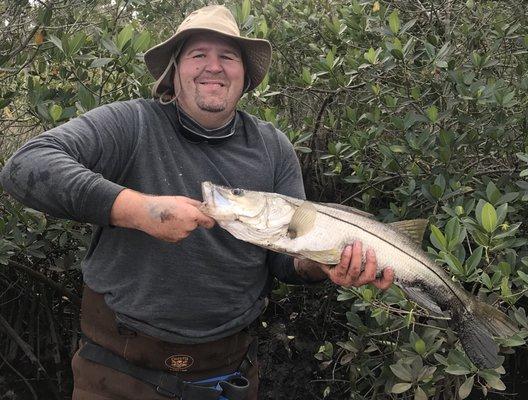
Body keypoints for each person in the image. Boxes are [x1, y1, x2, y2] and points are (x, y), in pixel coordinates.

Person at [0, 5, 393, 400]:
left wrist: (319, 264)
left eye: (228, 56)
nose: (214, 67)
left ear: (244, 75)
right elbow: (25, 166)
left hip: (228, 373)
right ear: (174, 70)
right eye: (198, 55)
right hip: (117, 372)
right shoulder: (130, 124)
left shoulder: (273, 148)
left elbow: (282, 261)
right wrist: (137, 211)